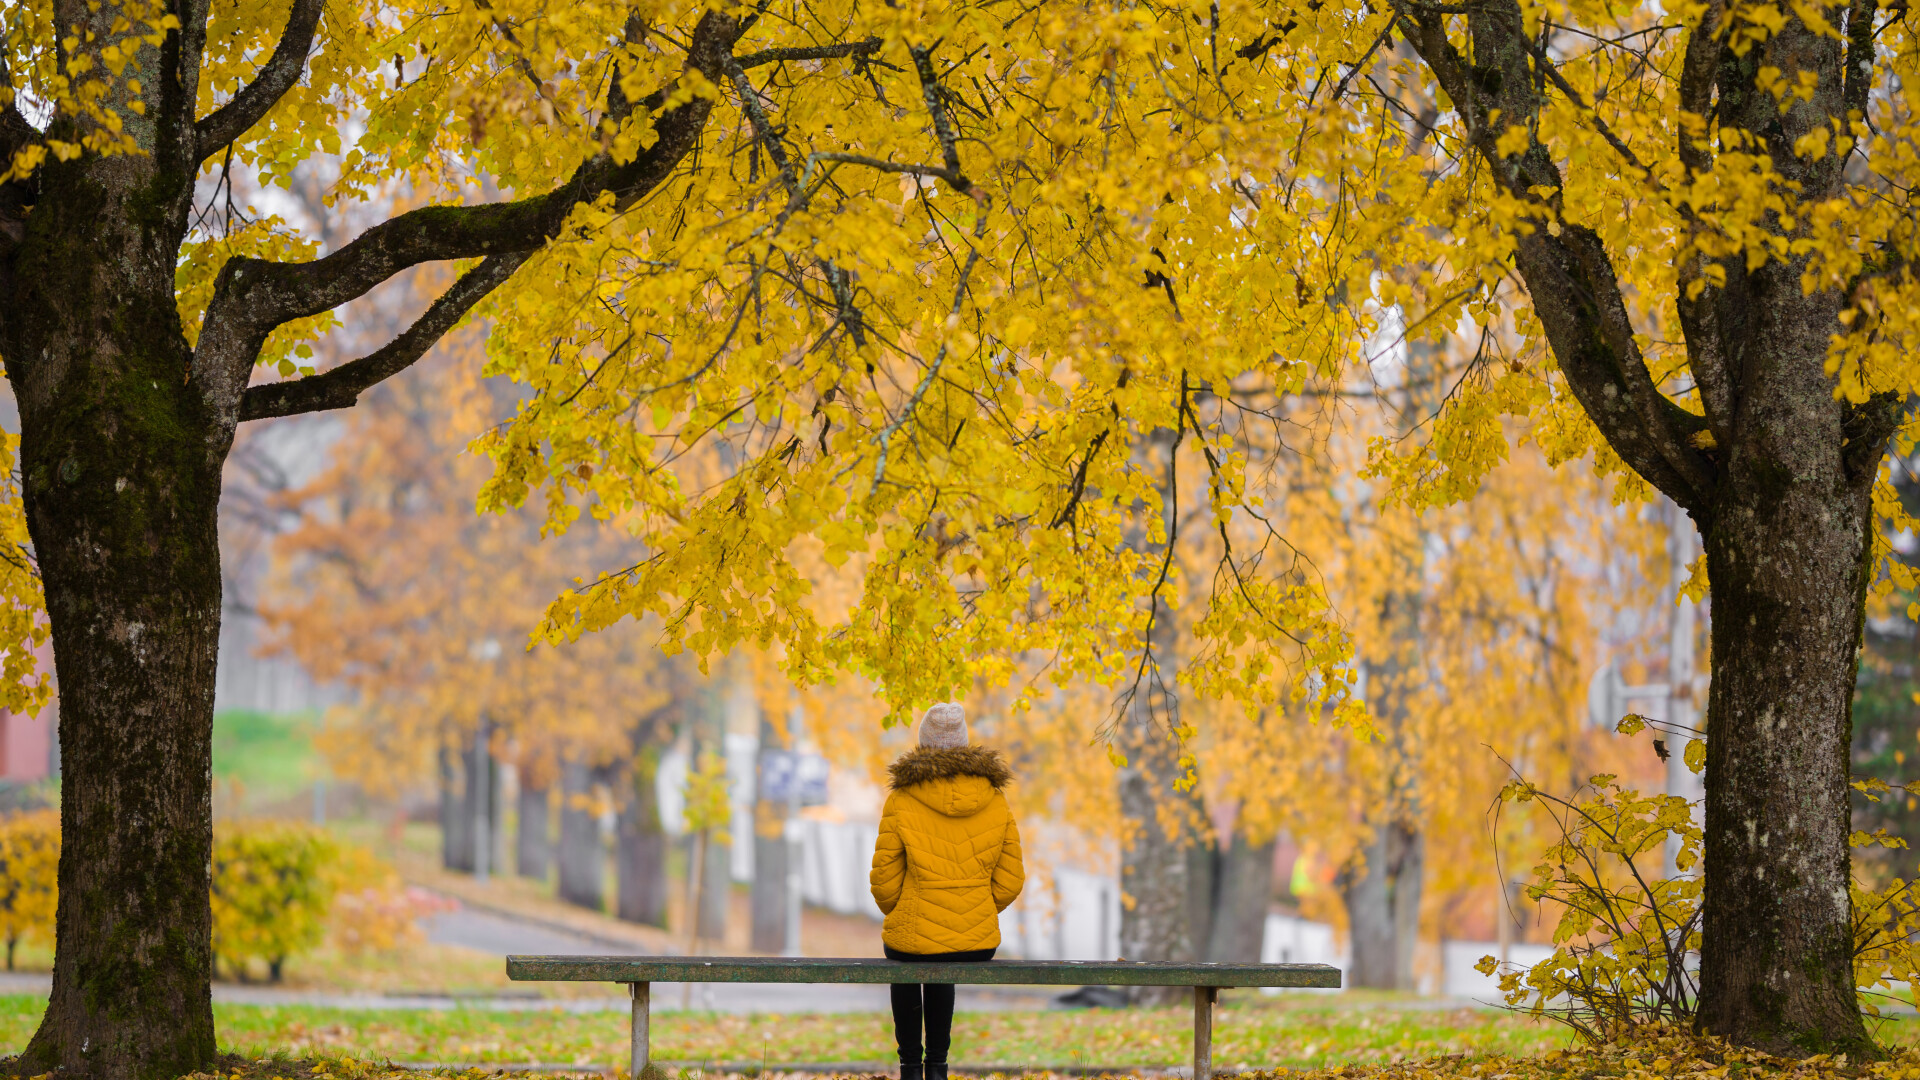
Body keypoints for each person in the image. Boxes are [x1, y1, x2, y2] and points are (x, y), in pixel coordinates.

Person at [869, 703, 1024, 1080]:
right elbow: (1011, 879)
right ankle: (937, 1065)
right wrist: (976, 908)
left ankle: (909, 1067)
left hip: (915, 939)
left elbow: (885, 882)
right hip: (977, 940)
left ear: (923, 744)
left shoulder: (902, 800)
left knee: (906, 951)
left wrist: (900, 907)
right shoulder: (995, 800)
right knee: (945, 948)